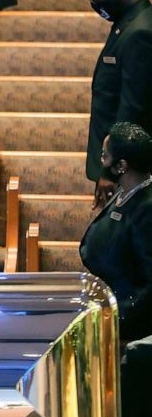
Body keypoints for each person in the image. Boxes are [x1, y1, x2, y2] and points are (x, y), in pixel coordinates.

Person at [83, 0, 152, 197]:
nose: (94, 4)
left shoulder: (140, 32)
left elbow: (132, 107)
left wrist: (111, 170)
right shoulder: (129, 22)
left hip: (127, 169)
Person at [80, 122, 152, 342]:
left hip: (128, 329)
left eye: (104, 156)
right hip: (106, 312)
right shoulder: (125, 192)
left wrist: (113, 317)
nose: (102, 162)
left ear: (121, 165)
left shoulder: (147, 209)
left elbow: (149, 285)